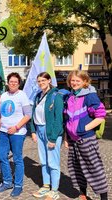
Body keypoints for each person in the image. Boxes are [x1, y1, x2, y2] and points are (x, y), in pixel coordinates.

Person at [64, 70, 108, 200]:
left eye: (78, 80)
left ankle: (104, 197)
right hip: (73, 141)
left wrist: (84, 128)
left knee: (94, 169)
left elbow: (100, 116)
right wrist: (67, 137)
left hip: (86, 140)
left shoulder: (90, 96)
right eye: (73, 80)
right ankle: (83, 193)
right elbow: (67, 119)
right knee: (76, 168)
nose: (75, 83)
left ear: (84, 82)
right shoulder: (70, 97)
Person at [0, 72, 31, 197]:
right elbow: (0, 115)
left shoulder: (22, 96)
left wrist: (16, 127)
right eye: (11, 82)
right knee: (2, 156)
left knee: (17, 159)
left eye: (15, 82)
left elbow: (28, 115)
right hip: (4, 132)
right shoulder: (3, 96)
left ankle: (18, 185)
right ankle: (7, 181)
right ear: (8, 83)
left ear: (19, 83)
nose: (13, 84)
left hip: (17, 133)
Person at [30, 72, 64, 200]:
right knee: (43, 161)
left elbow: (58, 119)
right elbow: (34, 114)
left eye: (43, 80)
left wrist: (53, 138)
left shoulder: (56, 96)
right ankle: (45, 186)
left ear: (49, 80)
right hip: (39, 130)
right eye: (39, 81)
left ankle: (54, 190)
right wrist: (33, 131)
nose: (41, 83)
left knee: (53, 162)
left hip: (51, 132)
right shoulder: (38, 95)